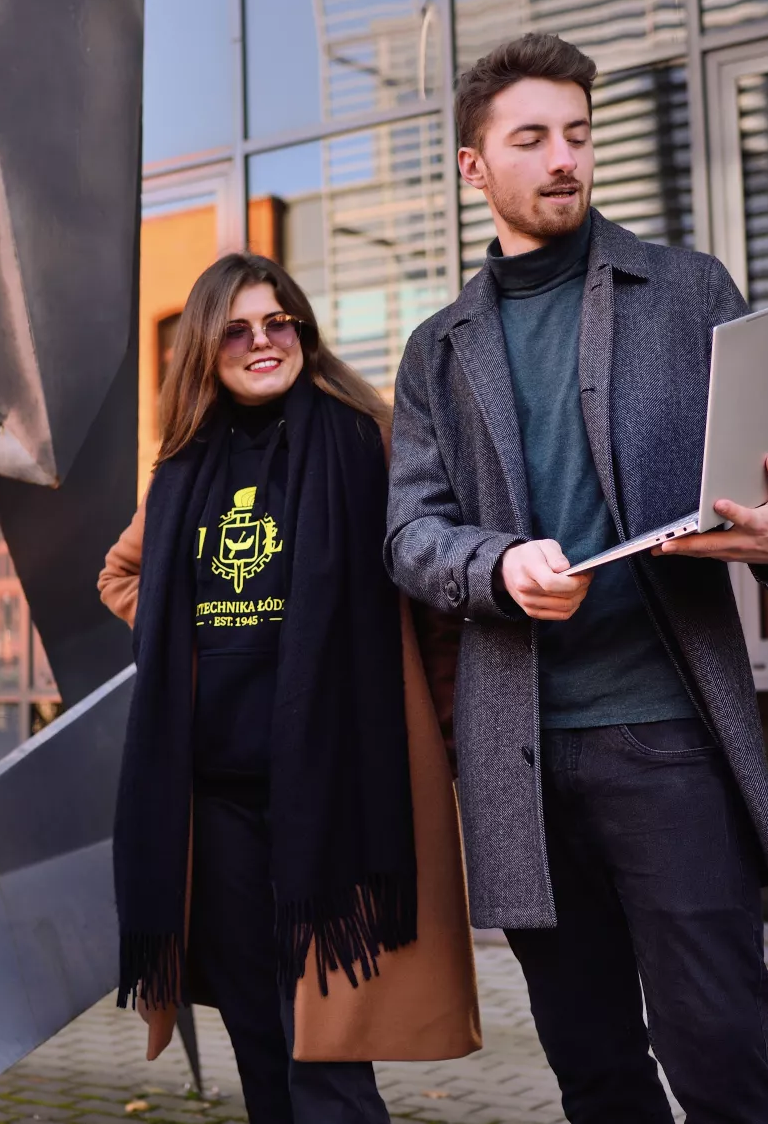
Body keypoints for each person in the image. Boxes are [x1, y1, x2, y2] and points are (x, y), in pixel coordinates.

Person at [384, 33, 768, 1123]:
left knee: (721, 1050)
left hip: (667, 740)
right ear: (472, 165)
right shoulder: (436, 350)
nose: (562, 160)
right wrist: (495, 564)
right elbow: (408, 531)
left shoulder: (688, 292)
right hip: (518, 760)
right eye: (530, 138)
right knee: (591, 1067)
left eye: (578, 136)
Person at [97, 254, 480, 1124]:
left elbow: (433, 614)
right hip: (217, 803)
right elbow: (123, 576)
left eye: (280, 323)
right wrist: (183, 644)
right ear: (205, 346)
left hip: (339, 794)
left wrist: (449, 744)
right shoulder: (186, 468)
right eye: (237, 328)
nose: (262, 342)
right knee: (262, 1049)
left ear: (303, 331)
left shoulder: (365, 440)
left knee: (330, 1058)